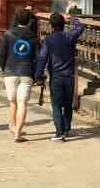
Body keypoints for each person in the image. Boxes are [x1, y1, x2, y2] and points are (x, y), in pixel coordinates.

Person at [35, 13, 85, 142]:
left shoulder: (48, 39)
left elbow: (42, 58)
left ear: (51, 26)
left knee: (56, 105)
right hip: (69, 76)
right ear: (64, 24)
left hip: (56, 76)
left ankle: (59, 132)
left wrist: (38, 74)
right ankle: (67, 129)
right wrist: (72, 19)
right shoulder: (70, 36)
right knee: (68, 104)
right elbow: (80, 27)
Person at [0, 10, 39, 142]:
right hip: (27, 72)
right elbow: (37, 58)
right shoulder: (33, 37)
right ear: (29, 21)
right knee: (23, 103)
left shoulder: (8, 34)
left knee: (12, 102)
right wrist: (37, 74)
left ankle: (13, 126)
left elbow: (2, 55)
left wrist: (4, 69)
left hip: (10, 71)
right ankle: (18, 134)